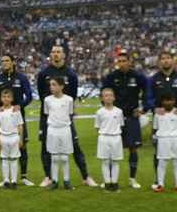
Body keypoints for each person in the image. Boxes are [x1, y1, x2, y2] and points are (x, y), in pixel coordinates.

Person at [36, 45, 96, 187]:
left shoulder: (71, 74)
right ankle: (48, 177)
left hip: (65, 117)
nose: (55, 54)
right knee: (45, 146)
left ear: (64, 55)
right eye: (53, 52)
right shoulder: (44, 74)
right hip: (48, 116)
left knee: (75, 145)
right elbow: (41, 94)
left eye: (58, 52)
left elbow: (73, 96)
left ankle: (85, 176)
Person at [145, 50, 177, 190]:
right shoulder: (153, 79)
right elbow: (147, 97)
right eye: (163, 58)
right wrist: (154, 107)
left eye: (168, 58)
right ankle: (158, 181)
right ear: (159, 62)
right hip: (160, 118)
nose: (165, 60)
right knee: (159, 153)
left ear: (173, 60)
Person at [102, 52, 148, 189]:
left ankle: (132, 179)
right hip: (115, 118)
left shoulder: (137, 76)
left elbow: (147, 91)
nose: (121, 63)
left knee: (133, 149)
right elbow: (103, 92)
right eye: (119, 61)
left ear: (129, 62)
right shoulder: (111, 77)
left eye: (124, 60)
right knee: (111, 149)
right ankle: (109, 179)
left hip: (132, 117)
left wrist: (144, 108)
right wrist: (107, 109)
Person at [0, 54, 34, 186]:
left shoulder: (21, 78)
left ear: (13, 62)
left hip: (18, 116)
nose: (4, 63)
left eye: (7, 60)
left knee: (22, 146)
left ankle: (23, 177)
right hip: (3, 117)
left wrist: (21, 105)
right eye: (2, 61)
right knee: (3, 147)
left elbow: (29, 95)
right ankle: (6, 178)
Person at [152, 93, 177, 193]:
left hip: (176, 139)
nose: (168, 102)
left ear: (174, 101)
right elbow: (155, 128)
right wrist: (154, 139)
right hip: (163, 139)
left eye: (170, 100)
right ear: (162, 102)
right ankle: (160, 184)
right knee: (162, 162)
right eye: (166, 100)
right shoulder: (158, 113)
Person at [44, 77, 75, 190]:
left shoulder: (69, 99)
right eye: (50, 85)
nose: (51, 87)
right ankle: (55, 181)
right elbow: (47, 113)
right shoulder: (47, 100)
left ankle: (66, 181)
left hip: (65, 129)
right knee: (54, 157)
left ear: (61, 86)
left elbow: (70, 113)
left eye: (54, 84)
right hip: (52, 130)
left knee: (65, 157)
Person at [0, 89, 24, 189]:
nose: (6, 99)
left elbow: (20, 125)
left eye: (8, 97)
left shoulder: (16, 110)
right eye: (4, 97)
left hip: (14, 137)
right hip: (3, 138)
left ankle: (14, 181)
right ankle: (6, 180)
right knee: (5, 159)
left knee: (14, 159)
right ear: (1, 98)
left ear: (12, 99)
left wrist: (21, 139)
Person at [95, 88, 124, 192]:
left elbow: (121, 125)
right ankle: (107, 183)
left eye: (110, 95)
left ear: (114, 97)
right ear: (102, 98)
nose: (108, 97)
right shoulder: (99, 112)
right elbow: (97, 127)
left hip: (116, 138)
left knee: (115, 161)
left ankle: (115, 183)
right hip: (104, 138)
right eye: (106, 95)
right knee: (105, 161)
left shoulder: (119, 111)